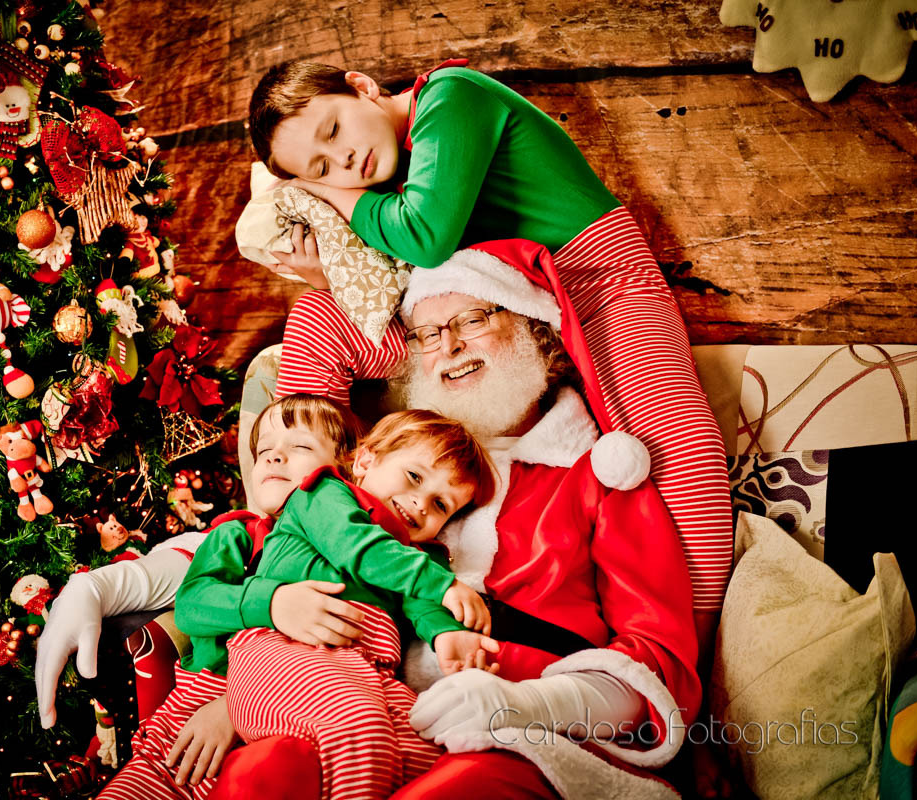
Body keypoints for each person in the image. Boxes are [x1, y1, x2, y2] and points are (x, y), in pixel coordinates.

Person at [247, 60, 732, 650]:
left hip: (599, 283)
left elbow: (425, 235)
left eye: (332, 131)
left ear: (362, 87)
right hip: (501, 299)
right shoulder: (390, 180)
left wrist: (327, 193)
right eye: (320, 166)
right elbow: (408, 267)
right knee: (323, 318)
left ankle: (691, 664)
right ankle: (291, 528)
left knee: (673, 457)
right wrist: (330, 278)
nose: (344, 161)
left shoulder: (451, 98)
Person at [210, 241, 702, 800]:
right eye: (425, 333)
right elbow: (259, 560)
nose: (448, 345)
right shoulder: (389, 471)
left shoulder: (599, 475)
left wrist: (525, 703)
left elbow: (660, 664)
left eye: (473, 318)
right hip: (366, 708)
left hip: (530, 738)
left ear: (534, 329)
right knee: (260, 774)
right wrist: (230, 699)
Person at [97, 395, 498, 800]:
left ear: (344, 461)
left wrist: (448, 633)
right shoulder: (263, 523)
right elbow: (193, 606)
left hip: (350, 673)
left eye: (299, 447)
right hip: (223, 690)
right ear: (360, 464)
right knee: (157, 784)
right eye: (264, 451)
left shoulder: (405, 552)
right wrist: (274, 604)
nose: (274, 459)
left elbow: (419, 599)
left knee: (423, 754)